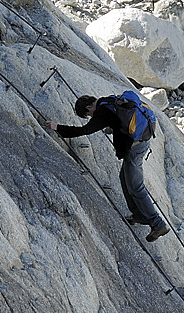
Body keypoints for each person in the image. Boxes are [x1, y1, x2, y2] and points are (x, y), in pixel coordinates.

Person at [46, 95, 170, 242]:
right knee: (124, 178)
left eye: (88, 115)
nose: (91, 117)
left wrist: (58, 127)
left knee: (136, 187)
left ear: (88, 108)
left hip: (135, 148)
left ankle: (158, 224)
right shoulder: (109, 100)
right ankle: (139, 214)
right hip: (141, 141)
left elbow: (85, 130)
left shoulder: (101, 111)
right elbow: (118, 120)